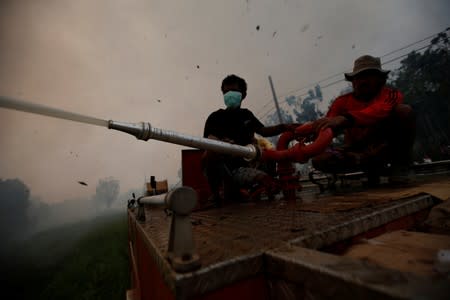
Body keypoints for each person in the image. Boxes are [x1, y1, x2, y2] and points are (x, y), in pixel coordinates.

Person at [311, 55, 415, 186]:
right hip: (355, 149)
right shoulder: (341, 102)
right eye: (358, 77)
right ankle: (368, 166)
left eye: (368, 75)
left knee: (405, 111)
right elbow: (328, 127)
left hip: (385, 145)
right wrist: (313, 134)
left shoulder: (390, 95)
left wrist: (344, 119)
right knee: (320, 159)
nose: (362, 81)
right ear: (353, 81)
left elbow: (379, 111)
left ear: (380, 80)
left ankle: (400, 166)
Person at [202, 74, 297, 205]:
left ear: (243, 95)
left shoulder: (247, 115)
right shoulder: (215, 117)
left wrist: (284, 127)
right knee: (209, 152)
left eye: (234, 91)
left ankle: (259, 186)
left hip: (248, 163)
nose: (229, 95)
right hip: (227, 168)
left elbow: (264, 131)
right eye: (226, 92)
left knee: (266, 164)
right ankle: (216, 195)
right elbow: (209, 138)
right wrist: (221, 143)